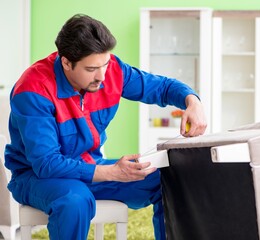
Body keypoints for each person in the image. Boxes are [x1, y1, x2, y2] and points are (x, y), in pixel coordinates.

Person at [4, 14, 207, 240]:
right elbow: (46, 164)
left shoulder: (111, 71)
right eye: (91, 69)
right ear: (66, 63)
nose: (102, 76)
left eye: (105, 64)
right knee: (75, 201)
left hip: (91, 167)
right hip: (37, 178)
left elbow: (161, 87)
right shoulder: (33, 89)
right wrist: (112, 172)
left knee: (168, 179)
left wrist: (192, 101)